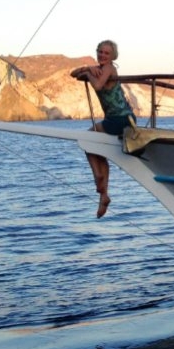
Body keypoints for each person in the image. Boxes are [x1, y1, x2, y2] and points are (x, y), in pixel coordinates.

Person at [70, 39, 136, 217]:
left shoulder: (109, 69)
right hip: (116, 119)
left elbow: (98, 85)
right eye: (100, 52)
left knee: (88, 139)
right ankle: (103, 195)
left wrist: (89, 74)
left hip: (120, 118)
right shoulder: (99, 68)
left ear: (112, 55)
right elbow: (73, 73)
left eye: (106, 53)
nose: (103, 55)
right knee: (99, 150)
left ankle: (98, 178)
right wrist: (86, 68)